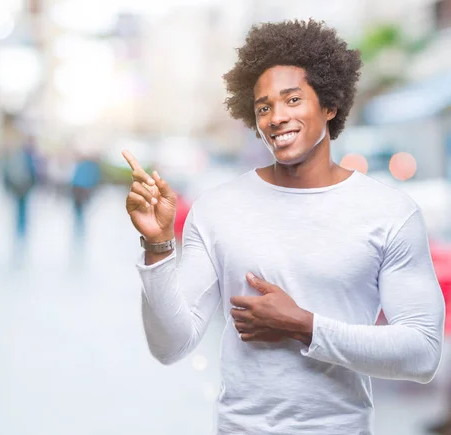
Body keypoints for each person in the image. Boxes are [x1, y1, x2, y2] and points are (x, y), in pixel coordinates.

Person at [122, 19, 445, 435]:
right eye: (263, 107)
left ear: (329, 105)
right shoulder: (218, 209)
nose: (276, 117)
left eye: (292, 99)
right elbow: (170, 345)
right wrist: (157, 243)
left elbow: (423, 354)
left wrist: (303, 325)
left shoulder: (390, 213)